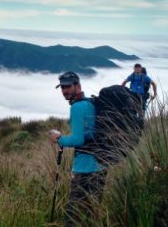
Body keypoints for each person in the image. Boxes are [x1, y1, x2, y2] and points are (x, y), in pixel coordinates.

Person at [49, 71, 106, 226]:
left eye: (68, 86)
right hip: (100, 165)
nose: (64, 91)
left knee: (73, 217)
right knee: (92, 213)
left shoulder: (77, 107)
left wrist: (58, 138)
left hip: (84, 169)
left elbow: (78, 139)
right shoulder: (90, 103)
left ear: (78, 86)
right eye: (62, 87)